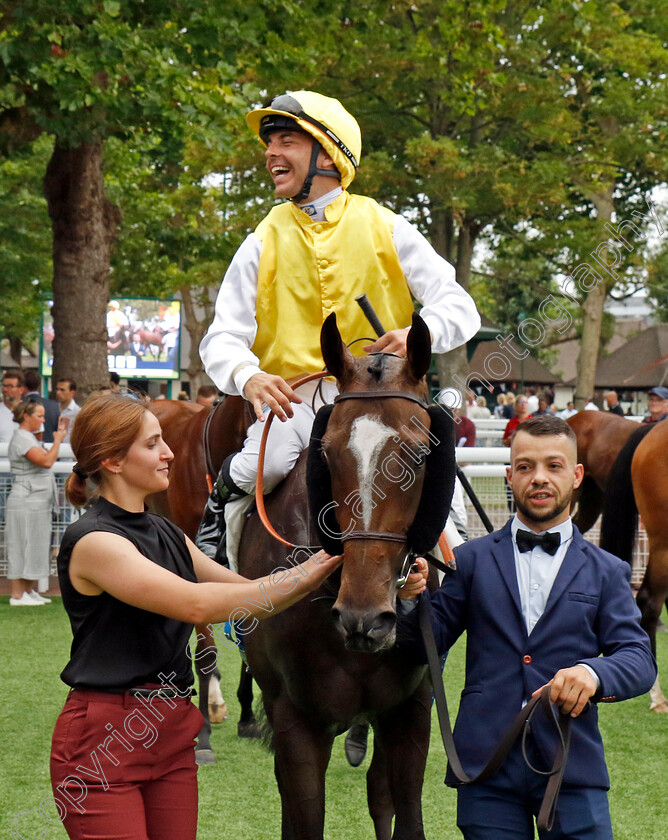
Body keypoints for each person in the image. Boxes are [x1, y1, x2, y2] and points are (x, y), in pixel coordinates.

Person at [197, 90, 480, 559]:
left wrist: (416, 334)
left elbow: (459, 306)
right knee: (262, 466)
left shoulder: (386, 225)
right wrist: (250, 377)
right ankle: (216, 540)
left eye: (286, 141)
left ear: (327, 154)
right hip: (297, 401)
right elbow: (223, 336)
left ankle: (457, 573)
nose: (270, 153)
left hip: (385, 394)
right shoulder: (261, 240)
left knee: (439, 480)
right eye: (270, 144)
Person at [50, 394, 342, 839]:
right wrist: (309, 576)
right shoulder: (95, 542)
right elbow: (198, 604)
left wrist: (342, 561)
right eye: (152, 445)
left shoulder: (164, 529)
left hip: (170, 728)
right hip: (105, 738)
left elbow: (242, 590)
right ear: (111, 460)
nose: (168, 453)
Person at [399, 415, 656, 840]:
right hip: (486, 767)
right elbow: (421, 646)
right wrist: (409, 601)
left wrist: (593, 673)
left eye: (553, 466)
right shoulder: (471, 560)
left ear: (576, 476)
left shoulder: (608, 571)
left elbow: (640, 660)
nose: (539, 478)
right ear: (509, 476)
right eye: (525, 467)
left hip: (573, 766)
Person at [6, 400, 68, 605]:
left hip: (37, 500)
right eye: (39, 416)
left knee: (36, 544)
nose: (43, 420)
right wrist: (58, 440)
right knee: (22, 543)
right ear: (27, 416)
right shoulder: (22, 438)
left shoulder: (29, 437)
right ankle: (17, 594)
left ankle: (28, 590)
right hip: (26, 499)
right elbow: (46, 461)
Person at [23, 369, 60, 443]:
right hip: (50, 448)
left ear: (23, 386)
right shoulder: (53, 405)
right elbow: (57, 430)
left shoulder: (21, 405)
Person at [55, 378, 80, 443]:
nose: (58, 393)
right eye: (57, 389)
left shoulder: (78, 412)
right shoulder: (53, 408)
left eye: (62, 390)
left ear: (72, 393)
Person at [0, 369, 23, 443]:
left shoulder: (30, 411)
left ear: (21, 390)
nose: (5, 390)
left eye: (10, 386)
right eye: (4, 386)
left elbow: (38, 441)